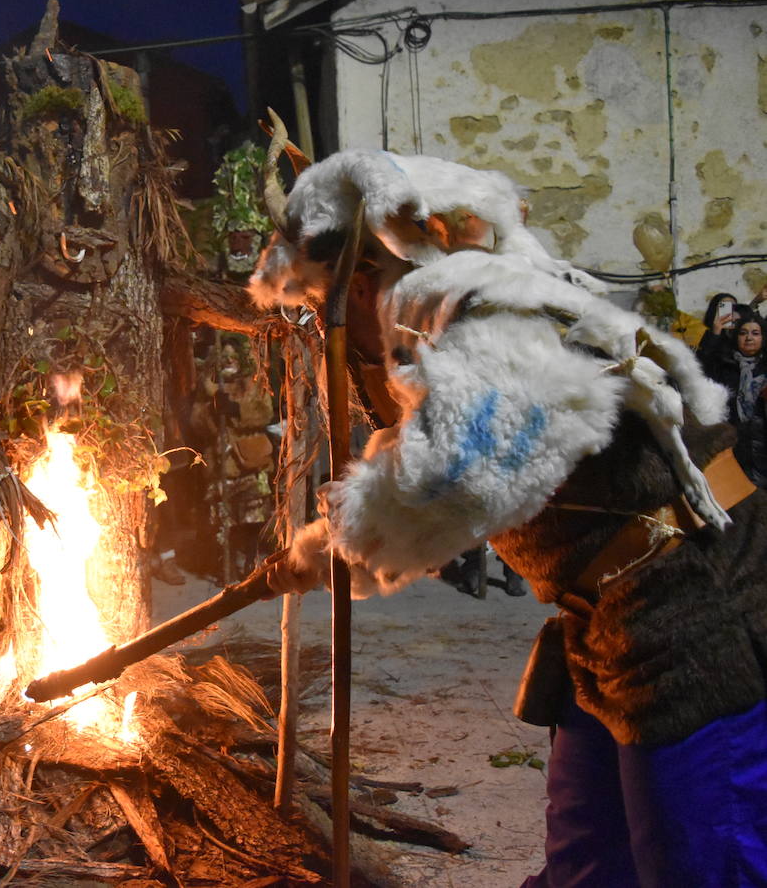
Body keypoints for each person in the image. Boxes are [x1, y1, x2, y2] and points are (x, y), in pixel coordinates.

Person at [253, 147, 767, 885]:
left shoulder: (491, 319)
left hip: (694, 614)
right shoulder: (433, 325)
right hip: (609, 621)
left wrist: (323, 549)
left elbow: (443, 483)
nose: (321, 332)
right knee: (589, 866)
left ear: (362, 284)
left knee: (701, 864)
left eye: (318, 308)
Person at [699, 314, 767, 486]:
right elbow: (700, 367)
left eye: (755, 333)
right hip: (735, 444)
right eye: (743, 333)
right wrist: (714, 334)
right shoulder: (725, 365)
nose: (749, 338)